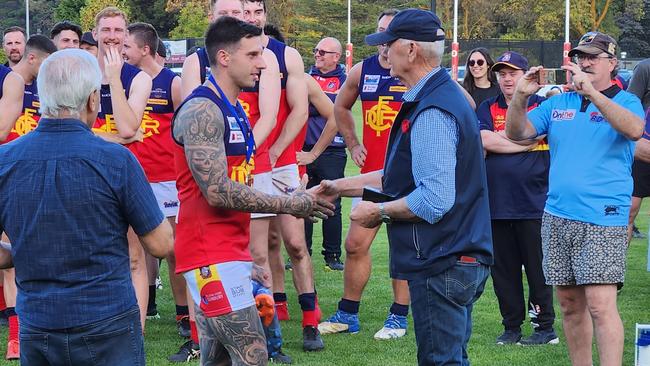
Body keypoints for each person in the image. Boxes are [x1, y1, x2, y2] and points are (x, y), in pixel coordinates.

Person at [315, 9, 493, 364]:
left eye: (389, 43)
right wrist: (336, 186)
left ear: (411, 50)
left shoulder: (432, 109)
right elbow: (398, 178)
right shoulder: (438, 96)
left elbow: (433, 199)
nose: (383, 52)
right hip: (455, 255)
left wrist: (376, 211)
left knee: (441, 361)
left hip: (443, 259)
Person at [171, 16, 333, 365]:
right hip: (208, 255)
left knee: (220, 360)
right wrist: (289, 203)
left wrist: (244, 257)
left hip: (227, 253)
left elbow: (236, 183)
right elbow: (217, 191)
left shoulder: (235, 108)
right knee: (254, 356)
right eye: (254, 54)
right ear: (226, 58)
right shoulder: (202, 109)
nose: (263, 62)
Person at [0, 48, 174, 366]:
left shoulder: (5, 160)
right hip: (106, 319)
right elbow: (160, 243)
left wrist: (28, 246)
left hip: (38, 322)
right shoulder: (116, 160)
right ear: (93, 99)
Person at [505, 31, 645, 366]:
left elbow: (634, 130)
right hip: (557, 215)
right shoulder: (558, 102)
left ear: (612, 62)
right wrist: (521, 97)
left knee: (599, 304)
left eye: (594, 57)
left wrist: (594, 94)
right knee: (568, 303)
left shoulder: (625, 101)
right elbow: (517, 134)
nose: (585, 62)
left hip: (602, 215)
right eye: (581, 56)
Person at [319, 9, 412, 341]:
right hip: (371, 177)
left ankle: (398, 317)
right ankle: (348, 314)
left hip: (407, 177)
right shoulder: (362, 70)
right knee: (355, 244)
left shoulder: (415, 72)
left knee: (402, 248)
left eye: (390, 34)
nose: (384, 42)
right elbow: (340, 108)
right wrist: (353, 143)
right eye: (380, 33)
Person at [241, 0, 321, 353]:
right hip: (248, 165)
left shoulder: (285, 55)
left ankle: (311, 321)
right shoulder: (226, 53)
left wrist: (277, 151)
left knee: (296, 243)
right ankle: (269, 322)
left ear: (264, 15)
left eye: (257, 11)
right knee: (261, 249)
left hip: (281, 162)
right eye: (245, 12)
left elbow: (301, 110)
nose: (252, 18)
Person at [477, 51, 557, 345]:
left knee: (538, 270)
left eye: (513, 73)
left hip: (535, 202)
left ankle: (544, 328)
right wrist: (524, 143)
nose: (507, 79)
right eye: (502, 74)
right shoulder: (487, 106)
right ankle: (511, 327)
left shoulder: (542, 106)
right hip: (498, 204)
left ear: (527, 76)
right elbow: (484, 139)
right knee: (504, 273)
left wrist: (506, 142)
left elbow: (533, 135)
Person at [121, 21, 192, 342]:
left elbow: (184, 131)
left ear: (145, 49)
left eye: (127, 47)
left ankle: (183, 313)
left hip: (167, 178)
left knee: (173, 249)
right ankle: (142, 307)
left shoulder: (171, 83)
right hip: (134, 176)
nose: (122, 52)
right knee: (136, 249)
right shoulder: (127, 82)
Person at [91, 6, 154, 334]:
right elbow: (73, 128)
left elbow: (130, 128)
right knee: (91, 253)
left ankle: (137, 329)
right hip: (87, 175)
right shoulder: (82, 71)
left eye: (118, 31)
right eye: (107, 30)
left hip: (125, 176)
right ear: (95, 34)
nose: (113, 37)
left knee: (133, 255)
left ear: (126, 35)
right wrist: (113, 137)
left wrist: (115, 80)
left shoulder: (138, 77)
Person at [303, 36, 347, 270]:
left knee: (332, 203)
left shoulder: (344, 81)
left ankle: (332, 256)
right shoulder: (305, 78)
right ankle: (301, 252)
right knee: (303, 200)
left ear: (336, 57)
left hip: (333, 151)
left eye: (323, 52)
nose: (317, 55)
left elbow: (338, 113)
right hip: (304, 149)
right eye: (316, 50)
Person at [181, 0, 246, 98]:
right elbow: (193, 110)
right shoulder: (195, 62)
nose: (230, 18)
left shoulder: (264, 57)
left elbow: (268, 113)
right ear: (211, 18)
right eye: (223, 13)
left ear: (244, 16)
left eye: (235, 13)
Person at [627, 57, 650, 243]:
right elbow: (628, 108)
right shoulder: (645, 68)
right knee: (628, 212)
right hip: (643, 150)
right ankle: (615, 270)